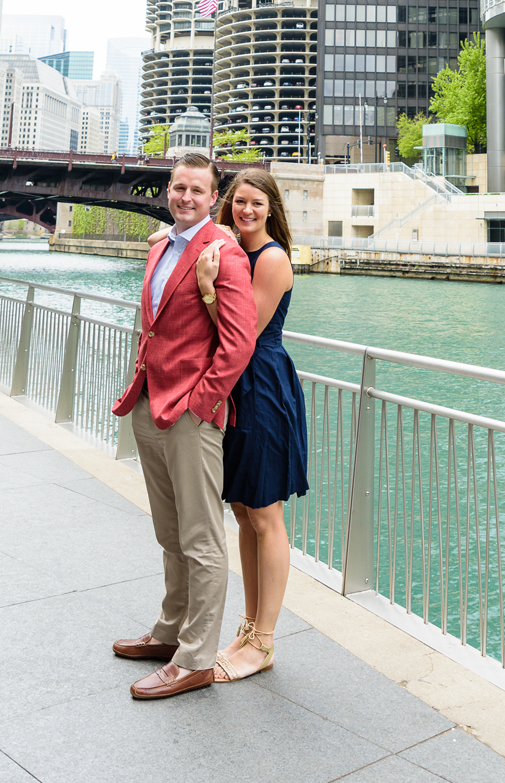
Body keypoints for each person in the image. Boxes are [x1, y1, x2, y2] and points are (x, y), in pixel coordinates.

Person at [109, 153, 258, 701]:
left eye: (198, 190)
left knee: (201, 539)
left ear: (212, 197)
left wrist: (202, 401)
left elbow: (238, 343)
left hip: (191, 415)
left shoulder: (225, 254)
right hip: (150, 404)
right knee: (169, 531)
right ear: (168, 191)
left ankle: (195, 658)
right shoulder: (160, 245)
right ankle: (170, 631)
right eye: (178, 188)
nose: (186, 197)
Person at [193, 168, 307, 681]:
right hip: (237, 388)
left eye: (257, 203)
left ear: (272, 208)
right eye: (240, 202)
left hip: (261, 386)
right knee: (242, 512)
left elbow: (242, 333)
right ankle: (248, 628)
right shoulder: (232, 248)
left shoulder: (273, 258)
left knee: (266, 516)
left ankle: (264, 641)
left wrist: (207, 291)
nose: (247, 210)